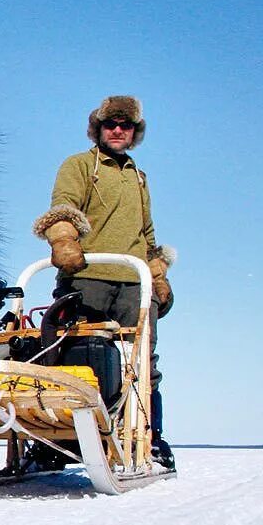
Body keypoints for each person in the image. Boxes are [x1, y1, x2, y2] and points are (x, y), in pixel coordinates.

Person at [31, 95, 177, 471]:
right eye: (110, 124)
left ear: (134, 133)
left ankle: (150, 440)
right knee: (71, 357)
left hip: (132, 282)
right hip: (87, 276)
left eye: (125, 125)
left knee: (143, 363)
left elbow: (146, 233)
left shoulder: (139, 178)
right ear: (97, 128)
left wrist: (157, 274)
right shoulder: (80, 165)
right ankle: (56, 442)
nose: (117, 130)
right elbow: (62, 206)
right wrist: (63, 239)